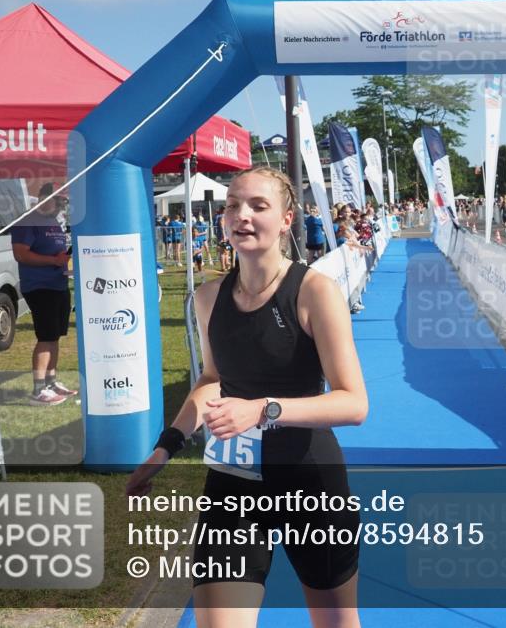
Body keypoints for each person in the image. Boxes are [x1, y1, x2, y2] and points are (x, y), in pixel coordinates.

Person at [126, 166, 367, 628]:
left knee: (335, 622)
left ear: (286, 220)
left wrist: (262, 410)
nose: (242, 215)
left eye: (259, 206)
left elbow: (353, 403)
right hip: (233, 486)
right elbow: (213, 378)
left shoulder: (315, 291)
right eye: (233, 205)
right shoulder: (207, 297)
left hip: (309, 481)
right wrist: (166, 447)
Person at [10, 183, 78, 406]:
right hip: (39, 287)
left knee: (55, 336)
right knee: (46, 337)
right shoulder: (28, 221)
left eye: (62, 202)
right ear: (42, 198)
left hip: (58, 284)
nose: (60, 205)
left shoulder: (53, 222)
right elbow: (20, 254)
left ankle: (51, 382)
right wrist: (53, 261)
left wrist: (62, 261)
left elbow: (55, 253)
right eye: (56, 200)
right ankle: (38, 390)